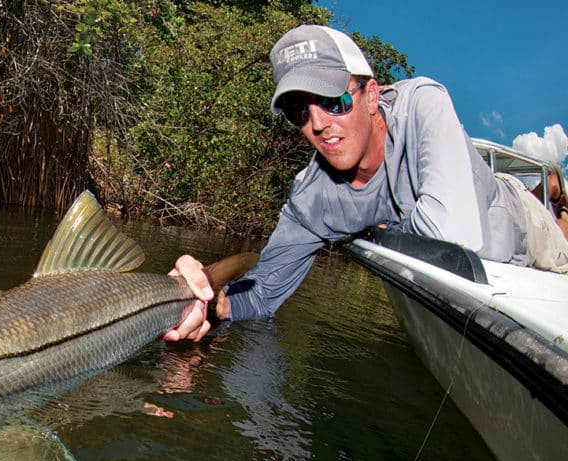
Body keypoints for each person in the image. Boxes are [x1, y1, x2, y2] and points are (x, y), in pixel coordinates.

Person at [163, 24, 568, 343]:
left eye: (333, 100)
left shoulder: (424, 104)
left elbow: (458, 241)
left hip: (522, 227)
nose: (318, 123)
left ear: (372, 95)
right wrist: (197, 301)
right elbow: (262, 292)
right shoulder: (313, 199)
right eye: (298, 111)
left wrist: (374, 230)